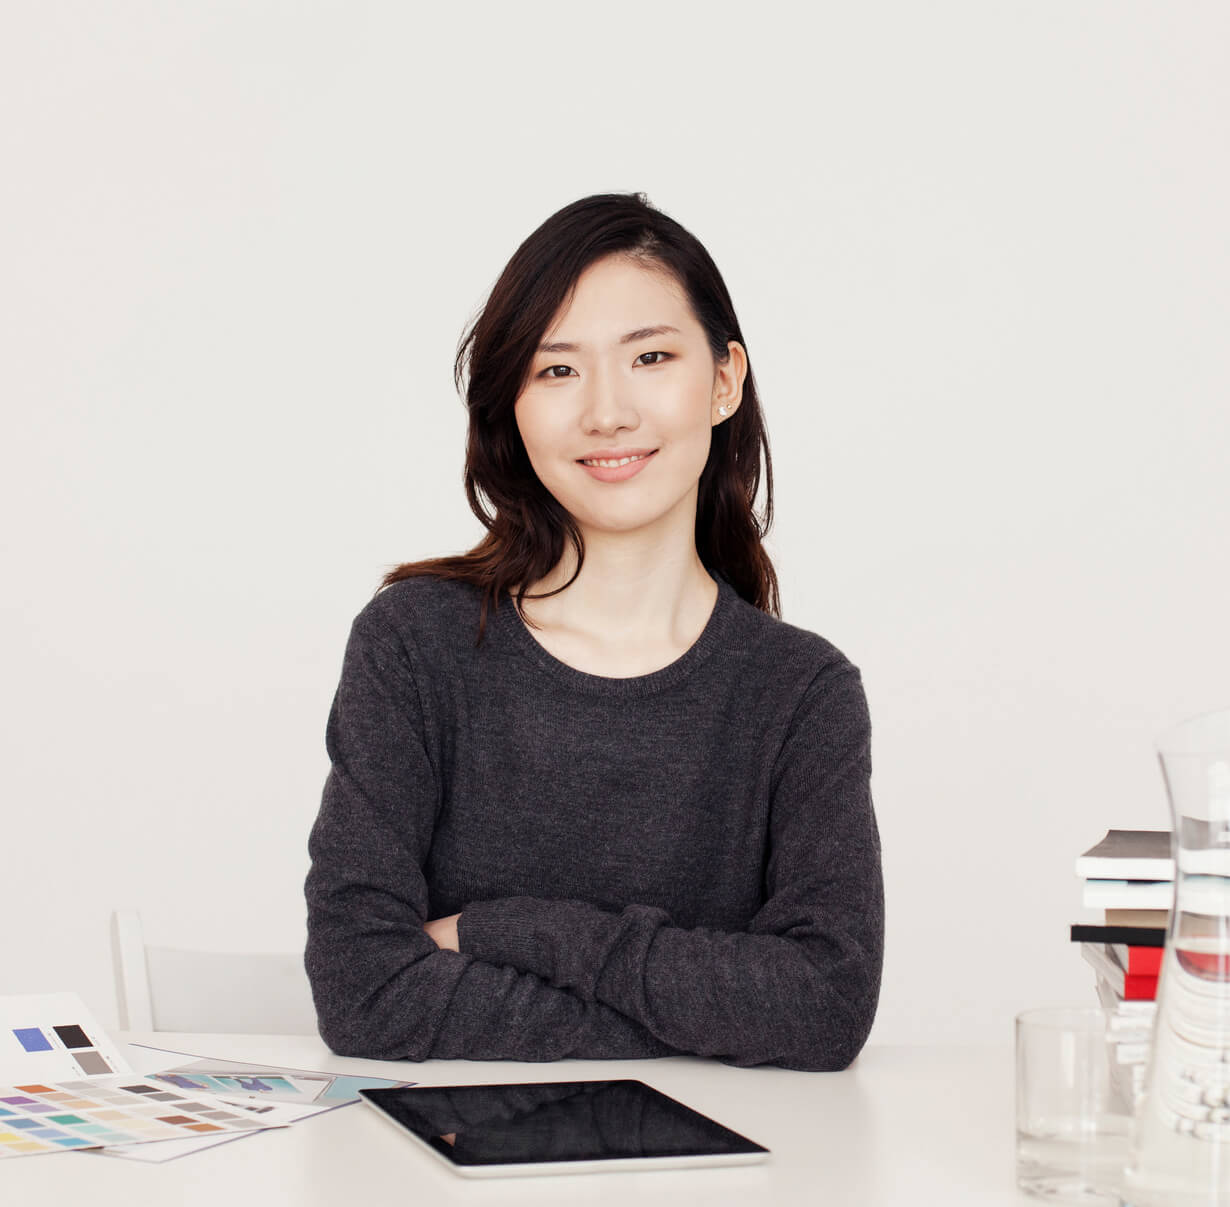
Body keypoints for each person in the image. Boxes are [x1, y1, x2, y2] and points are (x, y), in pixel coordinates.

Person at [303, 192, 884, 1072]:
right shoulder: (413, 645)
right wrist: (707, 1018)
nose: (607, 413)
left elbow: (823, 1007)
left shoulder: (801, 692)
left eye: (650, 356)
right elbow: (365, 992)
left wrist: (507, 928)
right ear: (513, 405)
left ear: (725, 380)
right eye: (556, 370)